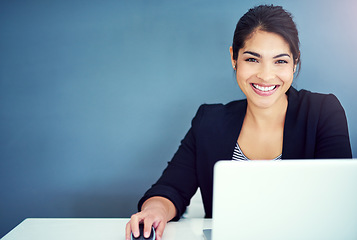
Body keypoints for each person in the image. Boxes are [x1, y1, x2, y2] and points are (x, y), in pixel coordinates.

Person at [125, 4, 352, 240]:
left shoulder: (322, 112)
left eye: (280, 61)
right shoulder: (209, 122)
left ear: (295, 63)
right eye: (252, 59)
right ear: (234, 58)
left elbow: (337, 201)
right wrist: (154, 212)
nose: (265, 75)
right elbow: (170, 189)